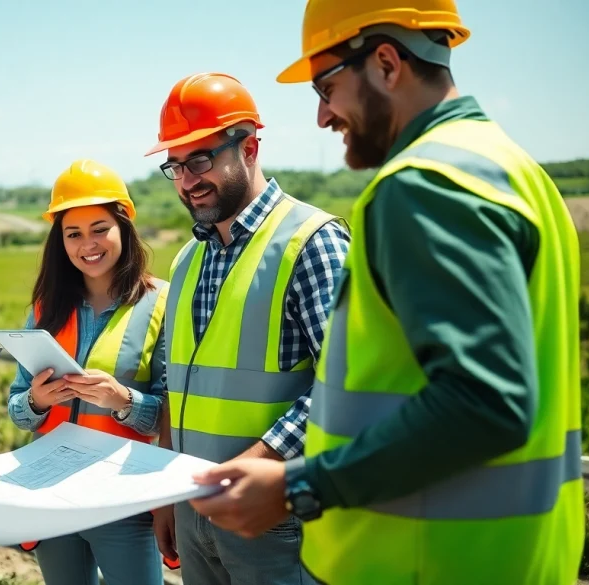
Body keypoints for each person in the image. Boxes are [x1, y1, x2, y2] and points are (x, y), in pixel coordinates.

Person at [187, 1, 583, 584]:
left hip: (425, 559)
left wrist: (301, 484)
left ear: (387, 64)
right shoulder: (516, 172)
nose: (322, 116)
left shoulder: (424, 186)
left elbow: (485, 402)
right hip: (517, 553)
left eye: (326, 86)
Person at [144, 72, 350, 585]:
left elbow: (347, 383)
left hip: (273, 518)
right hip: (193, 510)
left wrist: (258, 464)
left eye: (201, 159)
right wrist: (170, 495)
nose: (188, 180)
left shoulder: (313, 241)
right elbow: (176, 386)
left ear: (251, 147)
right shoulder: (188, 259)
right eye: (176, 165)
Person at [6, 159, 168, 585]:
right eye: (72, 234)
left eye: (99, 228)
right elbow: (17, 409)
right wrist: (38, 401)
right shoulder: (44, 309)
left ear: (124, 227)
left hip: (123, 499)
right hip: (52, 494)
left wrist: (124, 402)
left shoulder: (161, 304)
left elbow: (171, 414)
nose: (87, 244)